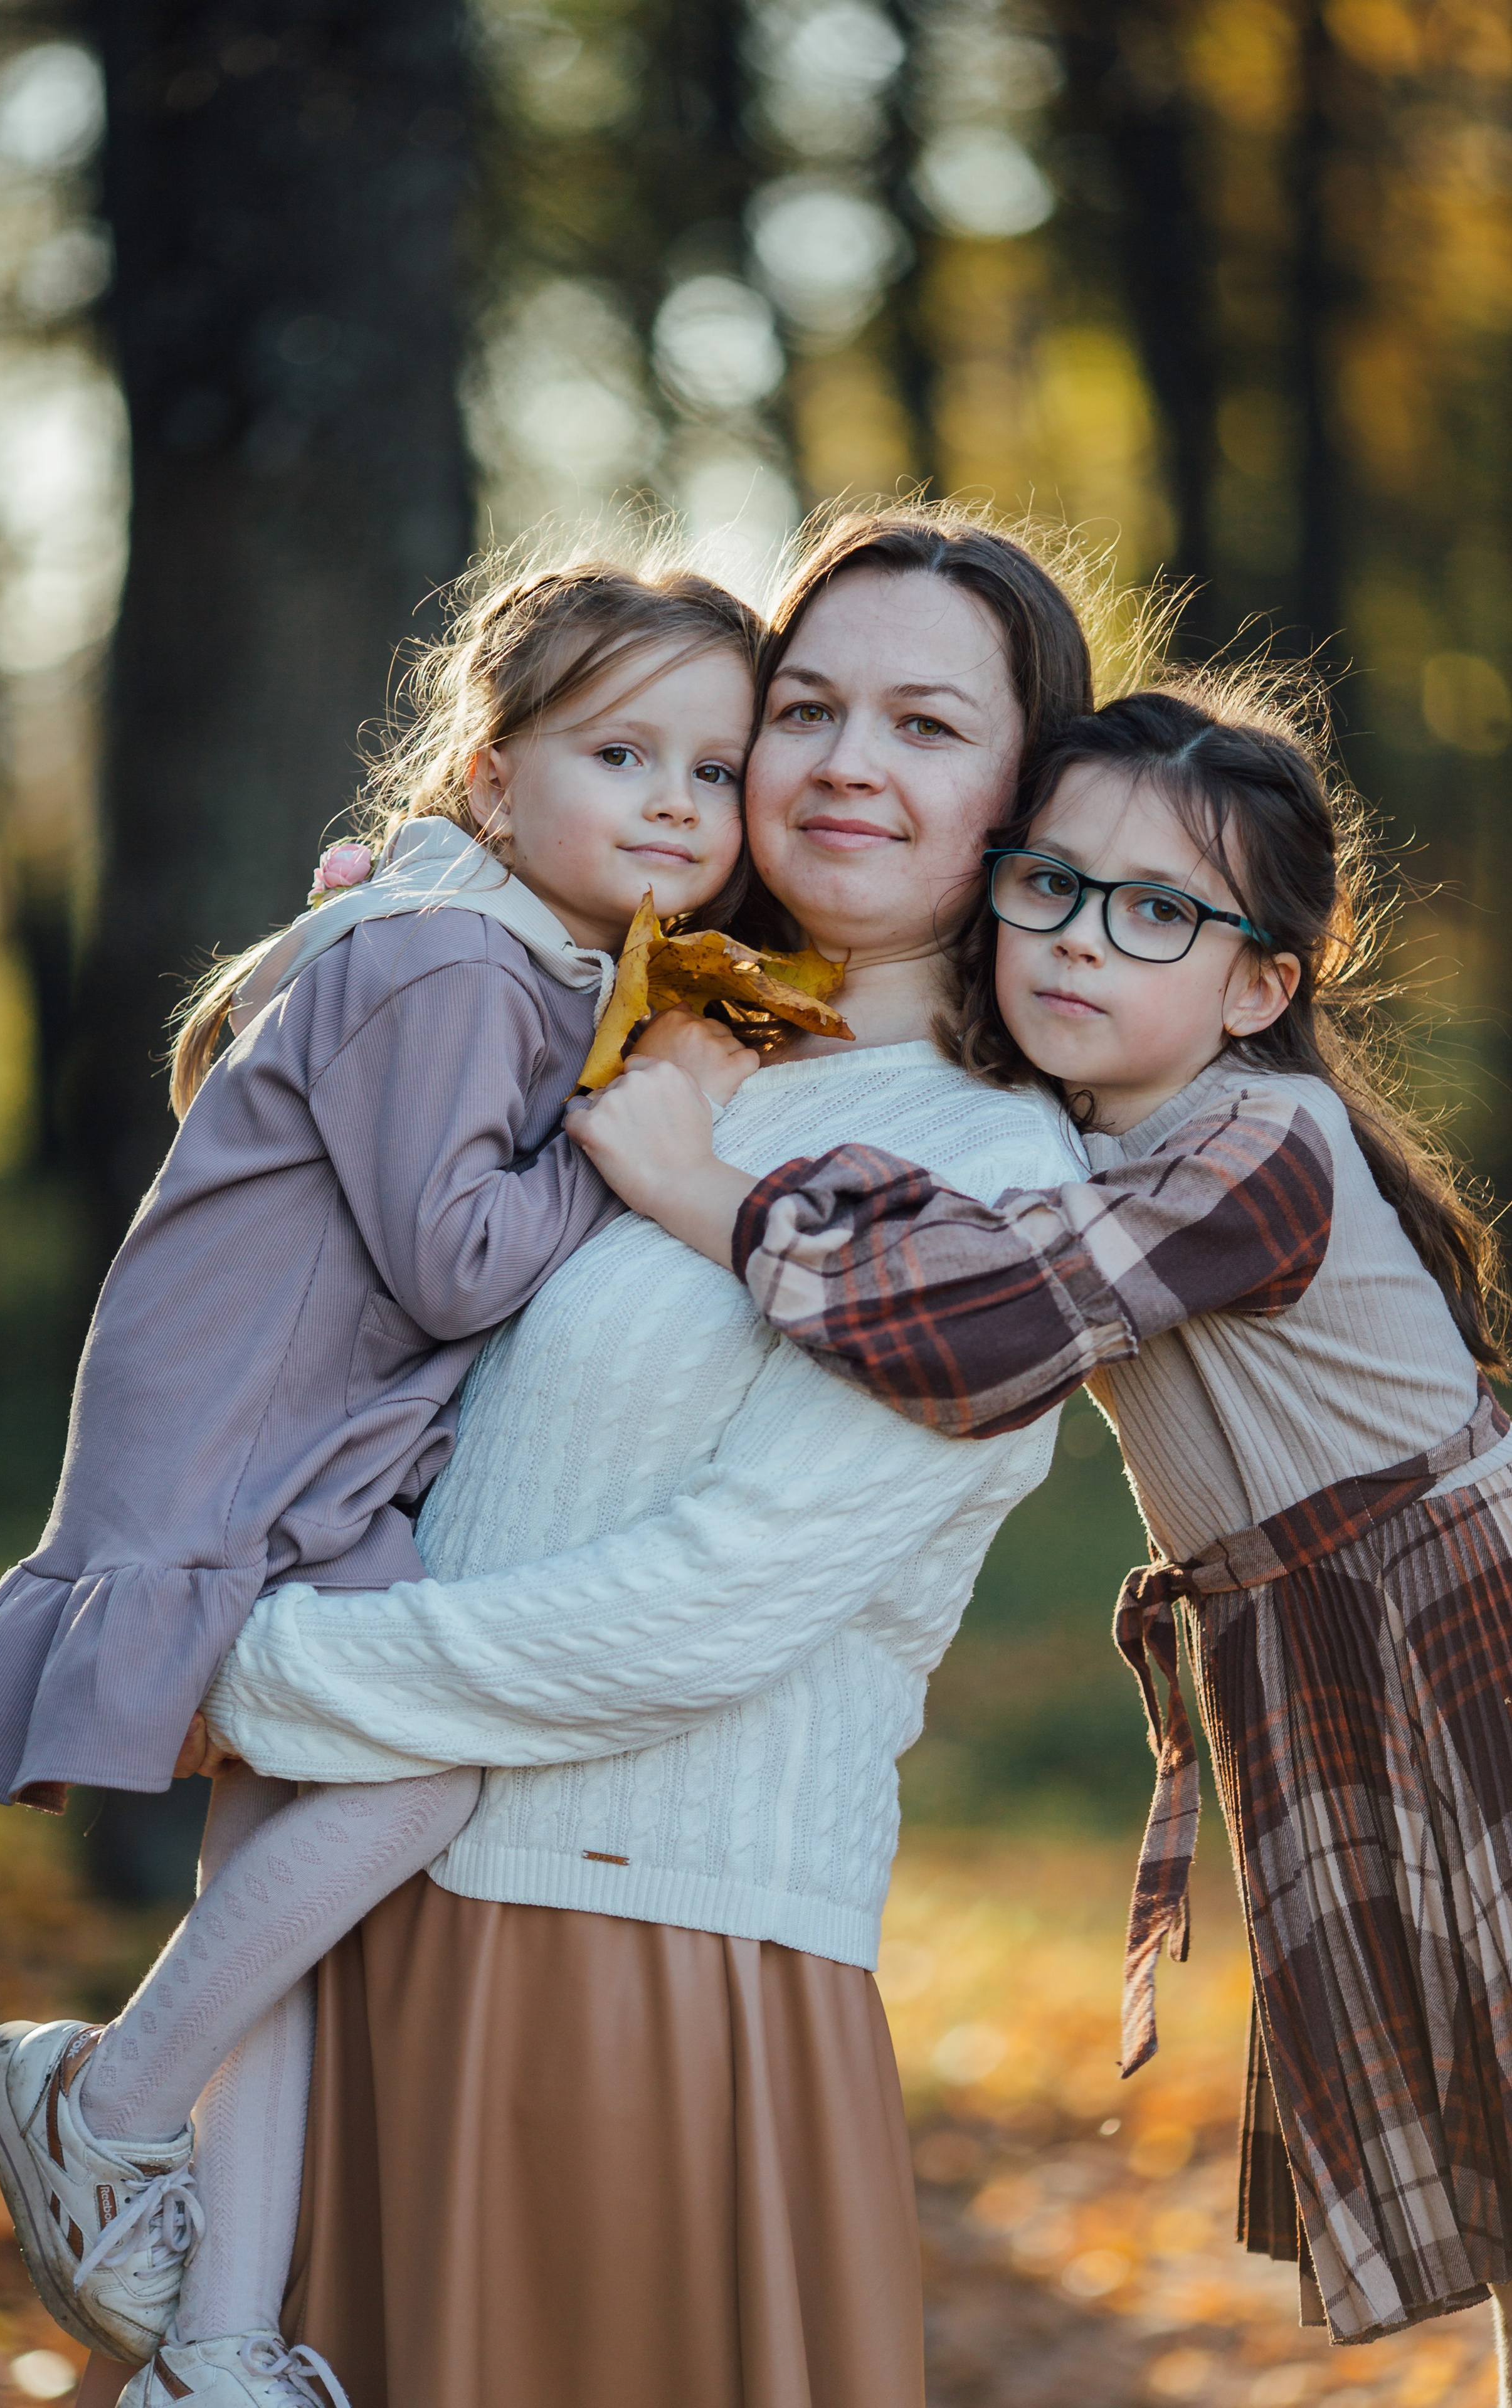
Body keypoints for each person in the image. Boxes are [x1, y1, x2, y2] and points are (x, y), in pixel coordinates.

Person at [175, 504, 1103, 2408]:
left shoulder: (993, 1176)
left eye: (928, 727)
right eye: (811, 707)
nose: (848, 763)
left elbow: (710, 1608)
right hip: (361, 1917)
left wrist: (243, 1669)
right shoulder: (624, 1027)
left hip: (647, 1956)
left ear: (1028, 796)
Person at [577, 674, 1512, 2368]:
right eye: (1053, 885)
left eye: (1159, 910)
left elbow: (991, 1325)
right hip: (1321, 1653)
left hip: (1457, 1642)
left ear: (1259, 983)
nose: (1083, 939)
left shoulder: (1260, 1149)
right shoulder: (1099, 1126)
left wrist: (701, 1190)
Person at [0, 554, 766, 2406]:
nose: (675, 806)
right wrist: (652, 1135)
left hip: (312, 1471)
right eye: (622, 752)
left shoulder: (495, 945)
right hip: (248, 1467)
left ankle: (220, 2353)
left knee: (285, 1916)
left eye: (714, 772)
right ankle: (106, 2092)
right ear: (488, 779)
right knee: (425, 1774)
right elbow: (459, 1258)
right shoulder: (450, 957)